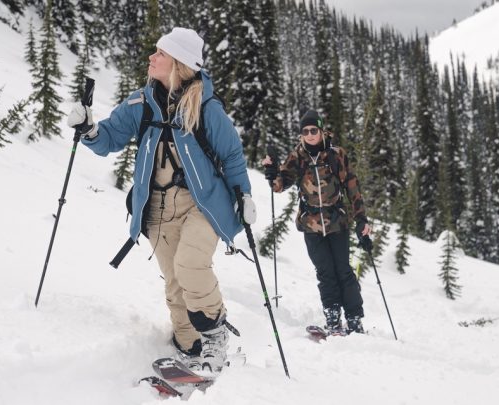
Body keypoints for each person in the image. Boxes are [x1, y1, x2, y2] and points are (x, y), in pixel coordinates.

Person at [67, 27, 256, 375]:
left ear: (179, 64)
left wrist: (244, 196)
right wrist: (88, 129)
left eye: (160, 54)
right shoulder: (141, 102)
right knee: (174, 284)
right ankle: (190, 347)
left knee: (190, 266)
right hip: (156, 209)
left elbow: (232, 157)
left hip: (202, 207)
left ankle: (216, 340)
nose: (152, 58)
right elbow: (108, 138)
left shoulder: (206, 107)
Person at [262, 109, 371, 335]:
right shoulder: (297, 157)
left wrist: (361, 219)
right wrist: (272, 171)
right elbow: (280, 186)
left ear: (321, 131)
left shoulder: (336, 154)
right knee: (325, 273)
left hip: (337, 221)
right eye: (305, 131)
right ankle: (333, 319)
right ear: (301, 134)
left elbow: (352, 186)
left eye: (314, 130)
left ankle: (354, 319)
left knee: (343, 271)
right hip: (310, 224)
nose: (310, 135)